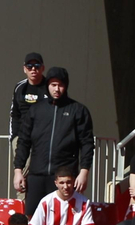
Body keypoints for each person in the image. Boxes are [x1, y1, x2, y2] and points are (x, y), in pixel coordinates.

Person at [13, 66, 94, 216]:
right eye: (53, 85)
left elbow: (87, 143)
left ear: (66, 85)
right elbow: (23, 141)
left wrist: (84, 171)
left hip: (63, 177)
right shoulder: (35, 110)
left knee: (62, 218)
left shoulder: (78, 110)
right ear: (47, 85)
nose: (57, 89)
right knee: (32, 217)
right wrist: (18, 170)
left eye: (60, 85)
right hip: (37, 174)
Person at [29, 165, 97, 225]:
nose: (65, 187)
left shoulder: (84, 202)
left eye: (68, 182)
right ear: (56, 183)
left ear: (74, 182)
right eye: (62, 183)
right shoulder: (46, 201)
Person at [10, 52, 46, 141]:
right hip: (22, 139)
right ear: (24, 69)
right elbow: (14, 114)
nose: (33, 69)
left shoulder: (50, 86)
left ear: (43, 68)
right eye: (29, 66)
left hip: (44, 139)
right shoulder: (19, 87)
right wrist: (14, 137)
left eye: (37, 65)